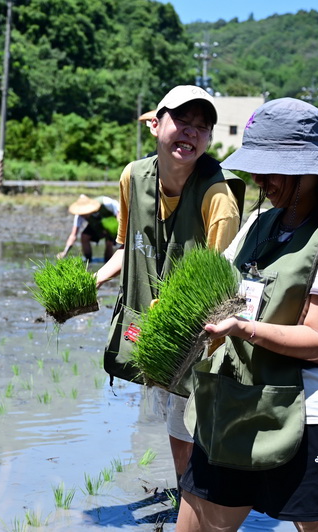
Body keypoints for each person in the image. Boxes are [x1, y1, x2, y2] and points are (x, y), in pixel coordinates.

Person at [176, 98, 318, 531]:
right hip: (235, 401)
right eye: (255, 165)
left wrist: (243, 328)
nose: (258, 178)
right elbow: (221, 289)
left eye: (272, 167)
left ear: (311, 168)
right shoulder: (258, 224)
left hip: (313, 416)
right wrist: (177, 318)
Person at [95, 85, 245, 490]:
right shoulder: (133, 177)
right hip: (156, 328)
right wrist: (92, 281)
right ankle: (187, 495)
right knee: (174, 414)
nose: (191, 133)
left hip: (206, 330)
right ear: (155, 124)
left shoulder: (219, 195)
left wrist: (177, 309)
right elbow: (129, 248)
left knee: (199, 417)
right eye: (182, 121)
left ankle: (208, 501)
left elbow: (224, 282)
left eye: (202, 127)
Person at [56, 195, 120, 263]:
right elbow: (73, 235)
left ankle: (108, 262)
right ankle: (88, 261)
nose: (84, 215)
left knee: (109, 242)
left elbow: (119, 213)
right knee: (84, 236)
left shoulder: (105, 202)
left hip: (111, 225)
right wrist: (65, 252)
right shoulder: (79, 215)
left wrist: (118, 232)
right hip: (96, 227)